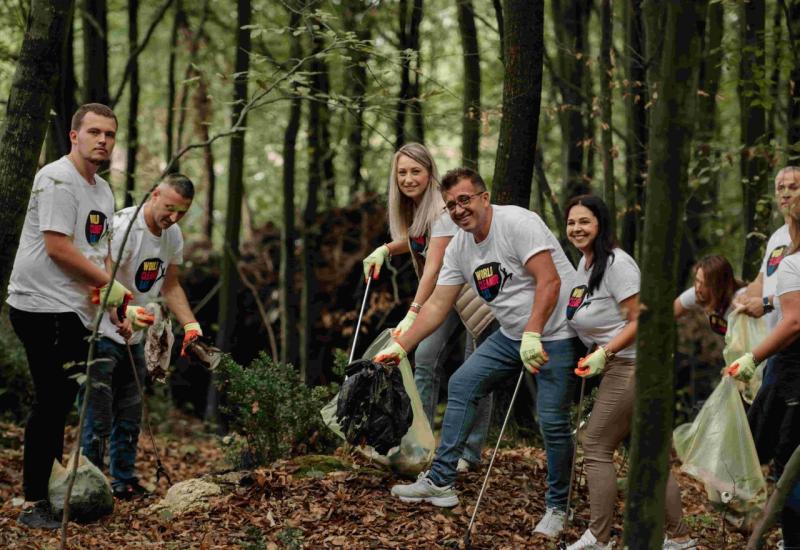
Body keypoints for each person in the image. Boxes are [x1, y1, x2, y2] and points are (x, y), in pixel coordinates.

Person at [375, 167, 583, 539]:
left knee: (551, 420)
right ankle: (440, 480)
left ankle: (558, 506)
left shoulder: (518, 223)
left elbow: (549, 281)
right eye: (451, 205)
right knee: (463, 382)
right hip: (513, 334)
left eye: (465, 200)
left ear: (484, 198)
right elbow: (438, 305)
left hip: (557, 332)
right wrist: (401, 346)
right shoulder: (459, 247)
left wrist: (534, 333)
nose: (458, 210)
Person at [6, 104, 133, 529]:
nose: (103, 140)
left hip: (74, 307)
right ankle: (33, 504)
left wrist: (115, 302)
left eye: (110, 134)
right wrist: (111, 287)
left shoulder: (101, 190)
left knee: (59, 400)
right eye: (94, 132)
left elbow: (101, 252)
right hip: (41, 305)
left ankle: (46, 492)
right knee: (51, 400)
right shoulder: (58, 178)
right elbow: (59, 248)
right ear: (74, 136)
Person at [562, 195, 695, 550]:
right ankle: (680, 537)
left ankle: (599, 537)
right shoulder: (585, 264)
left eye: (584, 222)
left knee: (595, 445)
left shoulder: (619, 264)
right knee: (648, 452)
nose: (577, 229)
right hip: (617, 363)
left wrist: (606, 351)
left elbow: (642, 318)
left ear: (601, 224)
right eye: (571, 222)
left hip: (634, 365)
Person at [362, 143, 494, 472]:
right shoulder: (417, 207)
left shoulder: (440, 207)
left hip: (473, 294)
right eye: (402, 172)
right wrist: (386, 249)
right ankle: (416, 445)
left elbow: (433, 265)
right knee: (425, 359)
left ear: (430, 172)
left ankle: (470, 451)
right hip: (444, 296)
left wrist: (413, 312)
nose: (408, 178)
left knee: (474, 369)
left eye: (415, 171)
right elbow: (417, 240)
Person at [81, 174, 203, 498]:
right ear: (154, 194)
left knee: (130, 413)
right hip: (102, 331)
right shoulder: (124, 226)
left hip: (134, 335)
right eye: (169, 208)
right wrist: (118, 312)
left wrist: (190, 325)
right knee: (98, 414)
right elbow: (100, 277)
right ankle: (87, 486)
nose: (174, 218)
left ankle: (123, 481)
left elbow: (170, 284)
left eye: (182, 212)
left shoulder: (172, 234)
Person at [726, 192, 800, 548]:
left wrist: (752, 357)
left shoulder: (792, 262)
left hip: (792, 368)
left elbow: (794, 321)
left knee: (787, 460)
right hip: (786, 366)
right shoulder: (784, 258)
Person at [734, 167, 800, 462]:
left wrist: (768, 302)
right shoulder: (777, 237)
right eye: (780, 187)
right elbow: (762, 280)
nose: (786, 193)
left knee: (774, 437)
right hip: (773, 343)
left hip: (789, 347)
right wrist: (743, 298)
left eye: (794, 186)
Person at [674, 255, 746, 337]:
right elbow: (667, 314)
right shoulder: (698, 293)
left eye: (706, 284)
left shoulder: (741, 299)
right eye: (697, 280)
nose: (698, 288)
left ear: (720, 286)